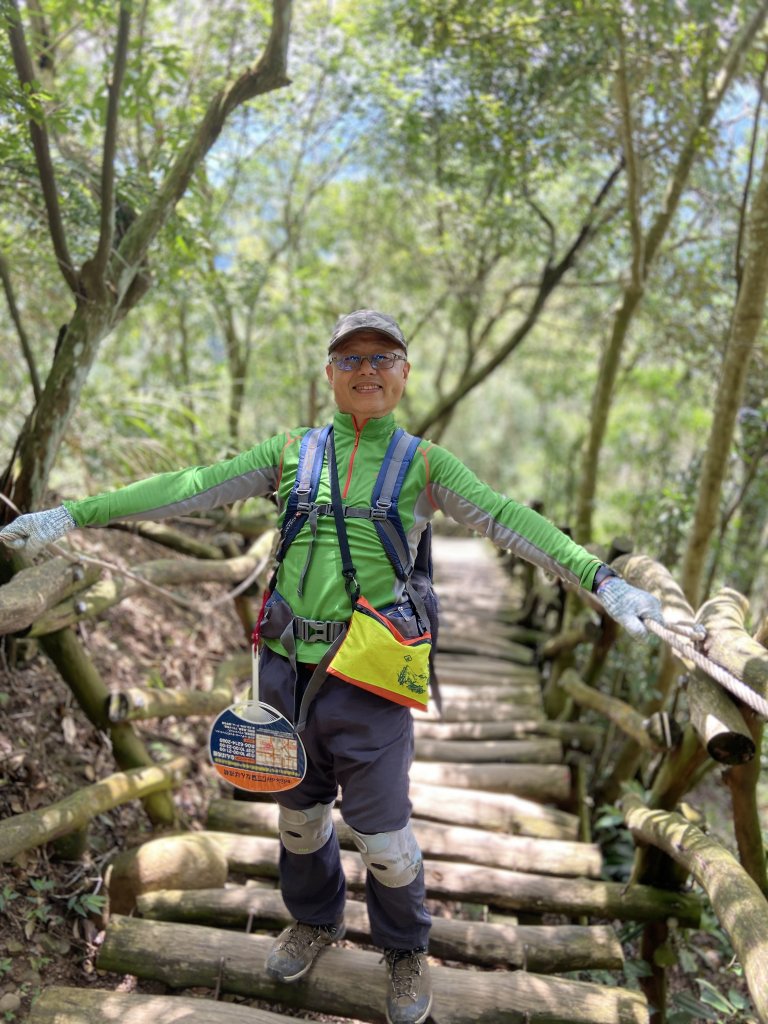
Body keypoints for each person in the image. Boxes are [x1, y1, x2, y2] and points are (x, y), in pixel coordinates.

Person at [0, 309, 663, 1024]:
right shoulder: (292, 453)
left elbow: (511, 519)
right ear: (329, 373)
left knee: (383, 838)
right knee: (298, 818)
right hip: (284, 671)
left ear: (406, 374)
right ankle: (315, 921)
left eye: (384, 357)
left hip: (370, 678)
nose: (367, 369)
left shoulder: (425, 464)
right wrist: (74, 515)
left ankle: (405, 948)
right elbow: (186, 485)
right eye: (350, 358)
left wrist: (601, 579)